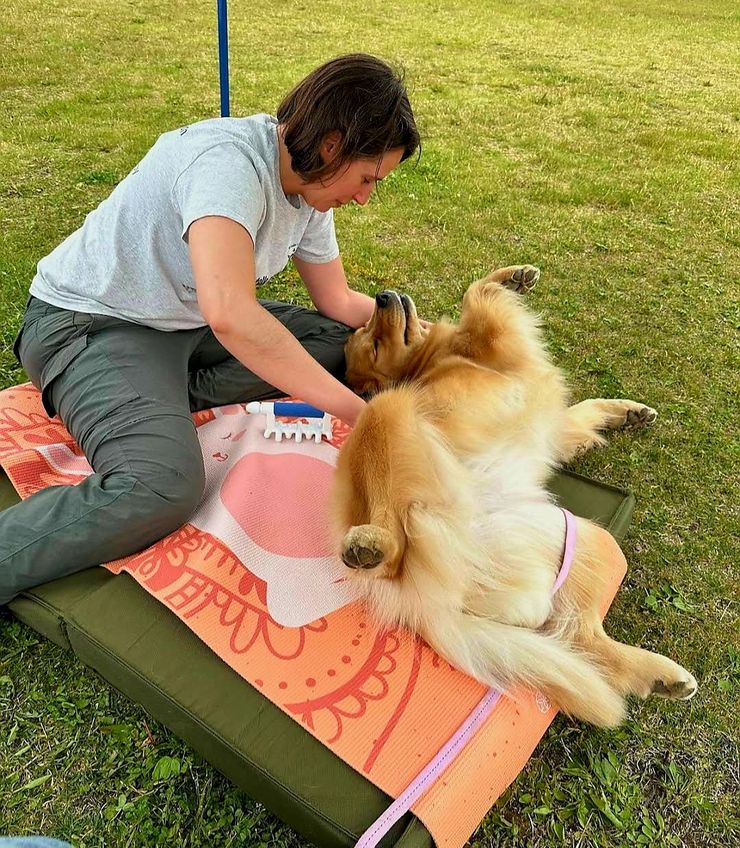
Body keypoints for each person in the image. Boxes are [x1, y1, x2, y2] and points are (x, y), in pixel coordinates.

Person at [0, 53, 420, 605]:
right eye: (368, 178)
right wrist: (363, 416)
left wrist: (432, 335)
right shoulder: (227, 165)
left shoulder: (310, 194)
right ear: (331, 145)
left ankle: (153, 401)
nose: (365, 197)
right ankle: (139, 406)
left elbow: (337, 301)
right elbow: (231, 315)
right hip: (90, 325)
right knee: (160, 487)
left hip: (186, 322)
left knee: (339, 345)